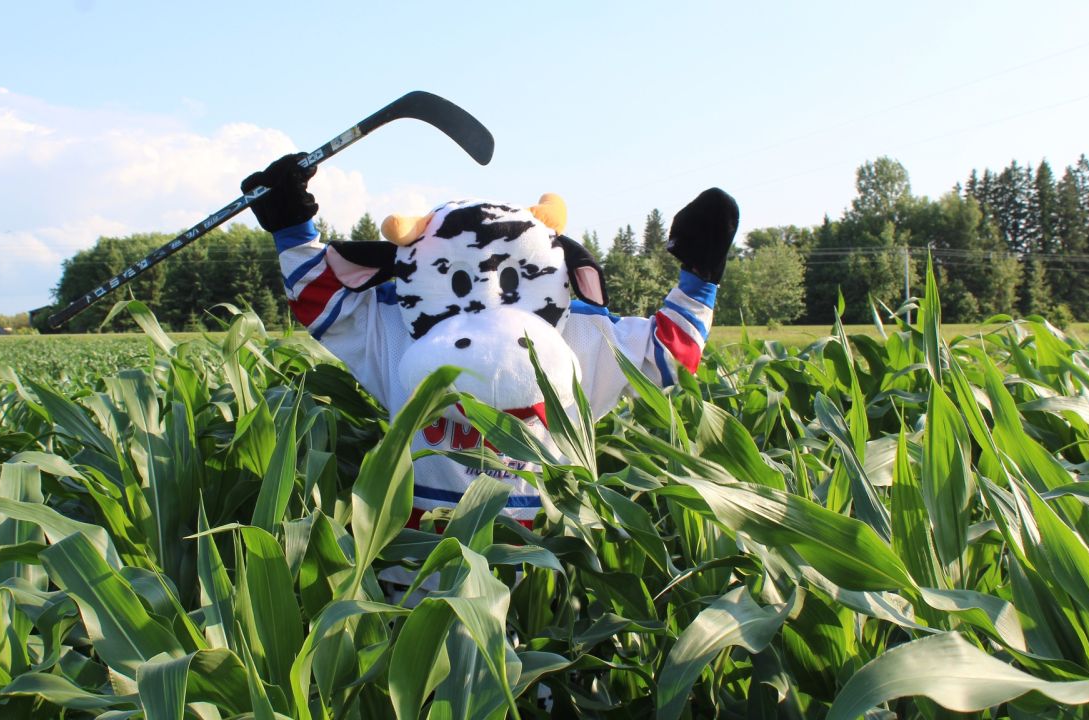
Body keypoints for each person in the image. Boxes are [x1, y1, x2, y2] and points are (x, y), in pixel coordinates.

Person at [241, 153, 737, 536]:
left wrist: (700, 275)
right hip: (420, 558)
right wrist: (290, 224)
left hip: (547, 563)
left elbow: (667, 355)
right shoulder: (398, 328)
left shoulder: (580, 336)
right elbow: (670, 352)